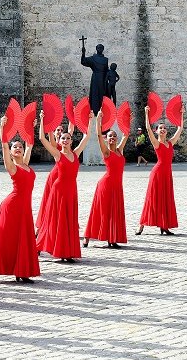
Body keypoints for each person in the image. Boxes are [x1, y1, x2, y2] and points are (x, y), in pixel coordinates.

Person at [0, 116, 39, 283]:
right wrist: (2, 128)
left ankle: (21, 271)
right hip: (11, 207)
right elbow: (4, 146)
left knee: (21, 239)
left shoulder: (26, 164)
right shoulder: (12, 166)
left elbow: (30, 142)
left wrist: (31, 126)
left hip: (24, 208)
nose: (18, 149)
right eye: (15, 147)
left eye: (20, 147)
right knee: (5, 239)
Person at [36, 110, 93, 263]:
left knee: (69, 220)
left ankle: (67, 251)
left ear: (71, 141)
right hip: (58, 190)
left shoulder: (76, 154)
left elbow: (87, 136)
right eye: (63, 138)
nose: (66, 140)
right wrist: (42, 120)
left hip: (71, 190)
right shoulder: (57, 154)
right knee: (55, 220)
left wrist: (90, 120)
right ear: (59, 141)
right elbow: (42, 138)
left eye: (68, 138)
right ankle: (40, 246)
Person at [135, 105, 185, 236]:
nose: (162, 130)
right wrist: (146, 113)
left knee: (166, 199)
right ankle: (141, 226)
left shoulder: (170, 143)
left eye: (164, 128)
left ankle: (164, 226)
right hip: (157, 174)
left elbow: (180, 129)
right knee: (152, 198)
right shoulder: (156, 143)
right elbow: (147, 128)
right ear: (156, 131)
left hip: (167, 174)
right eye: (160, 128)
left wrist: (181, 114)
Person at [83, 111, 128, 248]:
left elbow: (126, 133)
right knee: (100, 211)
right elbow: (98, 136)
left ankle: (112, 238)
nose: (113, 138)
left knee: (114, 213)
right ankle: (87, 236)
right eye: (110, 136)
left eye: (114, 136)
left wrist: (126, 118)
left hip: (117, 186)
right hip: (106, 185)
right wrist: (98, 120)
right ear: (107, 139)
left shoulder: (120, 150)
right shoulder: (106, 151)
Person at [35, 123, 74, 236]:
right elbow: (45, 137)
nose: (60, 131)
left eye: (61, 129)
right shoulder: (56, 146)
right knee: (50, 202)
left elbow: (71, 129)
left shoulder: (67, 144)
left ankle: (62, 226)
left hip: (65, 177)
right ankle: (45, 226)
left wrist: (72, 118)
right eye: (58, 130)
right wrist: (47, 122)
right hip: (56, 176)